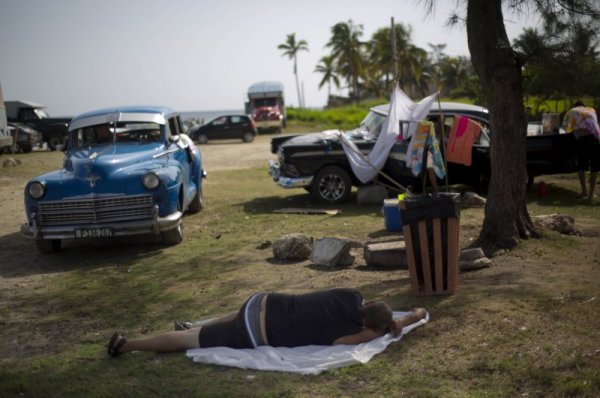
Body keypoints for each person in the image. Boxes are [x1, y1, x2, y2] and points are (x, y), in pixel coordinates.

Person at [107, 288, 427, 357]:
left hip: (263, 301)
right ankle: (128, 345)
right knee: (193, 341)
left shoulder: (349, 294)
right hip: (256, 330)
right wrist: (406, 319)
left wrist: (398, 316)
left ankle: (191, 324)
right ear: (371, 325)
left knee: (228, 319)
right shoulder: (354, 334)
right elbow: (419, 313)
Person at [563, 101, 600, 201]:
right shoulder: (591, 110)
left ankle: (584, 190)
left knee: (581, 167)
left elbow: (566, 128)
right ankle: (591, 194)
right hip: (594, 141)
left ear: (575, 107)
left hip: (582, 142)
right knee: (594, 167)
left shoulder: (572, 113)